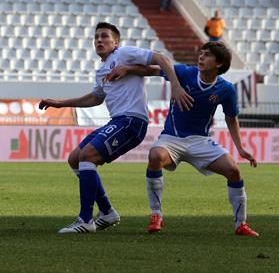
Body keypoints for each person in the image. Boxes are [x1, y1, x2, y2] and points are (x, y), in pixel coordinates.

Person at [38, 22, 192, 234]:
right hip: (116, 121)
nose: (99, 40)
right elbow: (95, 98)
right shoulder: (102, 70)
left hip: (132, 121)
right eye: (96, 37)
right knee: (75, 158)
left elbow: (161, 59)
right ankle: (107, 212)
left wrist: (175, 85)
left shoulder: (125, 54)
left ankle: (85, 219)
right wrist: (61, 103)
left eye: (104, 36)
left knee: (88, 155)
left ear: (116, 42)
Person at [108, 42, 260, 236]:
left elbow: (231, 117)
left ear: (219, 63)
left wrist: (240, 148)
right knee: (155, 156)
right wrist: (127, 68)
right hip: (172, 138)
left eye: (207, 55)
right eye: (201, 53)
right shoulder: (185, 72)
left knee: (234, 170)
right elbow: (154, 70)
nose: (201, 57)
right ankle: (156, 215)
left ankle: (241, 224)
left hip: (200, 141)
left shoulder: (226, 89)